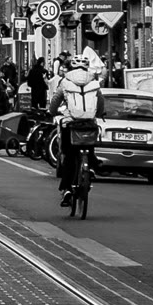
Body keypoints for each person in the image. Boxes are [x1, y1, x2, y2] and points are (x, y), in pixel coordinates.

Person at [52, 54, 101, 208]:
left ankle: (66, 189)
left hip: (71, 123)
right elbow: (100, 101)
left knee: (69, 156)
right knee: (89, 146)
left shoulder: (65, 81)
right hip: (88, 123)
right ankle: (91, 166)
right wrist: (100, 113)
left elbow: (56, 99)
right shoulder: (94, 81)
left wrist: (52, 111)